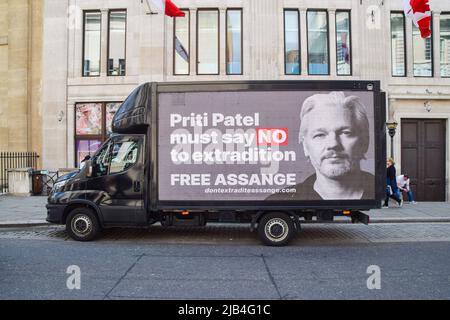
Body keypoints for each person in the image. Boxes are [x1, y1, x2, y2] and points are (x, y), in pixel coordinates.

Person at [266, 92, 374, 200]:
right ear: (305, 147)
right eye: (320, 135)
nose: (333, 144)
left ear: (364, 142)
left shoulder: (376, 189)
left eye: (345, 133)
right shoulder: (281, 200)